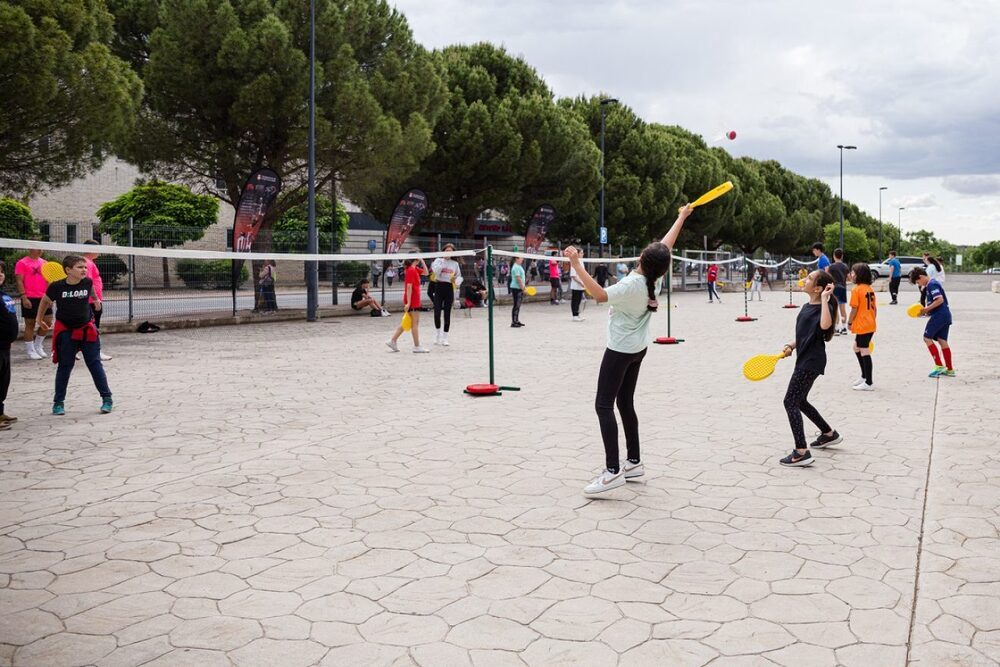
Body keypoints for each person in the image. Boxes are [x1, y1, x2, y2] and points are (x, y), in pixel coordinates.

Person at [568, 205, 693, 497]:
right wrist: (681, 217)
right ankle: (634, 462)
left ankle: (612, 472)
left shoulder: (631, 285)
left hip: (620, 350)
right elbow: (666, 246)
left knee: (603, 405)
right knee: (625, 403)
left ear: (640, 258)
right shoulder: (655, 278)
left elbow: (599, 295)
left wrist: (577, 265)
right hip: (638, 349)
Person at [34, 255, 113, 415]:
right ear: (68, 270)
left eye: (85, 267)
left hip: (86, 329)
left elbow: (91, 289)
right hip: (66, 332)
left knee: (94, 364)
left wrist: (96, 300)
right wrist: (39, 318)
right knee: (65, 366)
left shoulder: (87, 282)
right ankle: (58, 402)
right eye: (80, 267)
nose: (84, 269)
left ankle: (107, 399)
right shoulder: (57, 287)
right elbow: (45, 301)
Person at [778, 270, 841, 467]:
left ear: (818, 288)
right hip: (804, 358)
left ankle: (801, 451)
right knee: (800, 401)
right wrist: (791, 345)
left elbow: (825, 326)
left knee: (790, 402)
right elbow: (805, 334)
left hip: (811, 362)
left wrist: (825, 298)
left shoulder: (823, 307)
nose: (804, 280)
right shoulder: (806, 306)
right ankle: (828, 433)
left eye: (810, 278)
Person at [910, 267, 954, 377]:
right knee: (942, 340)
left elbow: (939, 300)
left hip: (939, 315)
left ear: (921, 277)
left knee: (926, 338)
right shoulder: (932, 284)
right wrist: (925, 311)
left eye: (917, 282)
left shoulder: (931, 284)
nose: (919, 284)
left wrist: (926, 309)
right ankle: (949, 369)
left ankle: (939, 365)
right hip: (945, 315)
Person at [387, 257, 429, 353]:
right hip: (412, 300)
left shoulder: (414, 269)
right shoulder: (411, 270)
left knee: (408, 322)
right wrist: (409, 303)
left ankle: (392, 340)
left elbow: (426, 273)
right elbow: (409, 287)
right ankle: (417, 346)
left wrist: (422, 261)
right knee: (415, 323)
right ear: (415, 259)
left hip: (414, 299)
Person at [14, 249, 51, 359]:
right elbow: (19, 280)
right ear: (31, 249)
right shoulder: (22, 263)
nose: (40, 250)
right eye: (37, 248)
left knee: (47, 322)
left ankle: (38, 345)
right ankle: (30, 350)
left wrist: (50, 296)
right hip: (29, 297)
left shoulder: (45, 263)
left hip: (44, 297)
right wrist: (24, 297)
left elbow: (49, 280)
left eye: (41, 248)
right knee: (30, 324)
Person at [82, 240, 113, 361]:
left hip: (91, 300)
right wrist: (95, 299)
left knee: (86, 327)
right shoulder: (86, 263)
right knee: (93, 327)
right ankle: (96, 352)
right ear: (91, 249)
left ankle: (75, 350)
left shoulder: (88, 262)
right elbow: (88, 282)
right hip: (91, 301)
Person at [848, 263, 876, 390]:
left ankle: (869, 382)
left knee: (864, 350)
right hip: (869, 323)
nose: (851, 275)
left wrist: (849, 322)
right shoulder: (869, 289)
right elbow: (874, 309)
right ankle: (864, 376)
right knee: (856, 347)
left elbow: (854, 308)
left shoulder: (857, 289)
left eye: (853, 272)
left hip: (863, 324)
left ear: (859, 275)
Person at [430, 244, 462, 346]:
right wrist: (443, 260)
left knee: (447, 313)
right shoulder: (438, 260)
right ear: (443, 251)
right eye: (446, 251)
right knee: (437, 312)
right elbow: (436, 272)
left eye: (450, 251)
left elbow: (459, 278)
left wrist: (455, 281)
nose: (448, 253)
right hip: (439, 286)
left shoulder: (455, 264)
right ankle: (437, 334)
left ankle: (445, 337)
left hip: (449, 288)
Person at [0, 261, 19, 430]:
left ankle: (0, 412)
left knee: (3, 381)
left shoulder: (3, 294)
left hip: (5, 346)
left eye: (1, 272)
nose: (0, 275)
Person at [827, 248, 849, 334]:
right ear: (842, 256)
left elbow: (828, 277)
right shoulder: (845, 266)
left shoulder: (831, 267)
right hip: (843, 288)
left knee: (835, 309)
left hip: (834, 288)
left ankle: (836, 328)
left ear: (834, 256)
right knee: (842, 309)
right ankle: (844, 327)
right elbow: (848, 277)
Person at [569, 249, 587, 321]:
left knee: (579, 300)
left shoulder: (581, 262)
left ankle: (577, 314)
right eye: (581, 253)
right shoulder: (574, 262)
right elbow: (573, 275)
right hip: (576, 285)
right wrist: (580, 282)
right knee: (575, 300)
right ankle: (574, 315)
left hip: (581, 285)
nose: (583, 254)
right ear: (577, 254)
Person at [509, 256, 526, 328]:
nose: (522, 259)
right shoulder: (516, 267)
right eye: (520, 258)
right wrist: (523, 288)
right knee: (516, 305)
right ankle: (514, 322)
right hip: (516, 288)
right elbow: (518, 279)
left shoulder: (518, 266)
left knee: (518, 305)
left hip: (519, 288)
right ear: (516, 259)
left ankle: (516, 320)